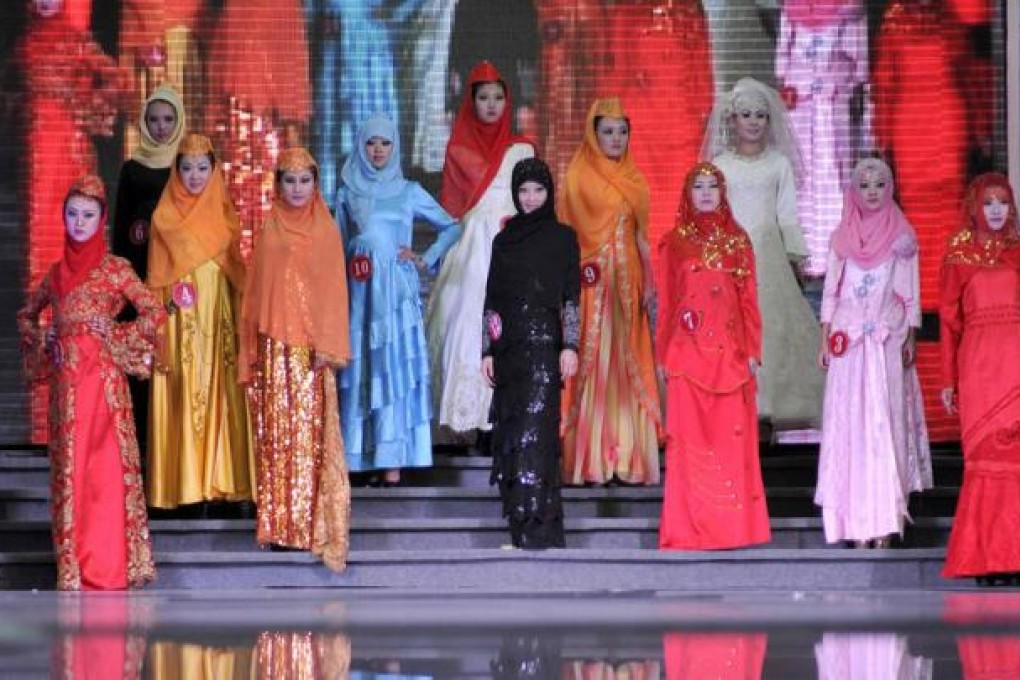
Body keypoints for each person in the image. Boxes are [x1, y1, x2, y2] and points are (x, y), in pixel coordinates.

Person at [17, 175, 165, 590]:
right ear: (63, 218)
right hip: (66, 396)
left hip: (103, 390)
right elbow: (26, 316)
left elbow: (154, 314)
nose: (79, 223)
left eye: (88, 215)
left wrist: (115, 334)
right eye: (72, 215)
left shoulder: (115, 269)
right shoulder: (55, 275)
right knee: (71, 477)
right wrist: (44, 339)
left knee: (102, 477)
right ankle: (73, 569)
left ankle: (110, 567)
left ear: (101, 220)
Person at [239, 147, 351, 570]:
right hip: (273, 349)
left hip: (309, 354)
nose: (298, 188)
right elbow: (256, 294)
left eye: (305, 180)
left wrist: (327, 348)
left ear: (315, 184)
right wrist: (253, 349)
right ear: (278, 184)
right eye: (290, 180)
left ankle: (308, 527)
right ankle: (277, 526)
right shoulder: (269, 228)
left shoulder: (326, 230)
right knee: (276, 437)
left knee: (308, 439)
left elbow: (334, 295)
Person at [336, 114, 461, 486]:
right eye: (371, 142)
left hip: (395, 294)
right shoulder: (347, 192)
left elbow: (453, 225)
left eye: (385, 143)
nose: (377, 150)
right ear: (361, 145)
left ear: (395, 147)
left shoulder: (409, 190)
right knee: (362, 366)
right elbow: (340, 247)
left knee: (392, 367)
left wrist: (425, 256)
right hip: (360, 294)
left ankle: (392, 460)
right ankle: (359, 455)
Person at [815, 157, 932, 548]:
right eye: (864, 185)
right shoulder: (840, 238)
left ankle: (883, 521)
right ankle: (851, 524)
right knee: (849, 429)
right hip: (848, 346)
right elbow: (831, 292)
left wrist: (908, 337)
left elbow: (908, 294)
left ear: (890, 188)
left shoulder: (902, 237)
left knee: (884, 426)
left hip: (884, 343)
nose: (872, 191)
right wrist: (825, 337)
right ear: (853, 191)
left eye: (879, 184)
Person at [657, 162, 769, 550]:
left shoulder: (739, 242)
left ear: (723, 193)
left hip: (732, 360)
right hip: (686, 360)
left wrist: (754, 349)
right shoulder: (672, 243)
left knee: (731, 447)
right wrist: (663, 355)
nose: (705, 193)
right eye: (698, 187)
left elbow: (749, 300)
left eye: (712, 187)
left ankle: (734, 531)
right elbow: (668, 303)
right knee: (689, 451)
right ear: (687, 194)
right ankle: (689, 532)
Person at [703, 77, 824, 429]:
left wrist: (795, 258)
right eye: (746, 114)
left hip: (768, 258)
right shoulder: (721, 165)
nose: (754, 121)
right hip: (730, 257)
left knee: (772, 328)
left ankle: (768, 406)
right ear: (732, 119)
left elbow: (787, 214)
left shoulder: (779, 164)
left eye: (760, 115)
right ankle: (733, 400)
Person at [426, 61, 536, 439]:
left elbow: (533, 201)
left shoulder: (522, 148)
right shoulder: (458, 147)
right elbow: (451, 209)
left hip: (514, 246)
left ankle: (504, 419)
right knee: (468, 324)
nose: (491, 105)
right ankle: (469, 420)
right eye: (484, 98)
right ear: (471, 102)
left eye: (498, 98)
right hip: (473, 246)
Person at [146, 133, 253, 510]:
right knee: (186, 391)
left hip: (219, 321)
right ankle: (188, 487)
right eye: (187, 168)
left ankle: (224, 484)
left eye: (202, 169)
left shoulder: (225, 217)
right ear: (176, 171)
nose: (194, 176)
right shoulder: (164, 218)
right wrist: (163, 323)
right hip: (181, 324)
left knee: (222, 391)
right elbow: (157, 281)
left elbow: (237, 273)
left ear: (214, 171)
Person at [558, 97, 661, 486]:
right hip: (590, 288)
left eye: (622, 132)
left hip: (627, 287)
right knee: (594, 369)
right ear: (593, 133)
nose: (615, 139)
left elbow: (641, 237)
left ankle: (627, 459)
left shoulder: (635, 179)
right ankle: (592, 461)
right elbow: (568, 238)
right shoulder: (577, 176)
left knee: (626, 366)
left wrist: (650, 283)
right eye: (607, 132)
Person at [482, 157, 580, 549]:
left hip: (544, 351)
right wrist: (487, 349)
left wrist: (570, 345)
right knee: (512, 437)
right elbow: (492, 299)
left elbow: (571, 296)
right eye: (523, 190)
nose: (530, 198)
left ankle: (541, 531)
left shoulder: (563, 237)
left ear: (549, 192)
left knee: (536, 438)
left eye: (538, 189)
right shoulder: (503, 241)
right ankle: (520, 531)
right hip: (509, 352)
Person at [940, 173, 1020, 585]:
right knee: (983, 465)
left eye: (1002, 202)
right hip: (978, 368)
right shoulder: (958, 255)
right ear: (974, 206)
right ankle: (985, 560)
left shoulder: (1018, 252)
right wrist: (948, 380)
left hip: (1015, 367)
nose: (995, 210)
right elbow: (950, 324)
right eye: (988, 202)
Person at [112, 84, 186, 455]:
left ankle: (178, 450)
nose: (160, 127)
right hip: (141, 276)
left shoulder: (187, 164)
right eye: (153, 120)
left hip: (179, 275)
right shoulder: (132, 167)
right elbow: (120, 227)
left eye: (168, 119)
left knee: (179, 357)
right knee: (143, 360)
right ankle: (142, 448)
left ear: (179, 121)